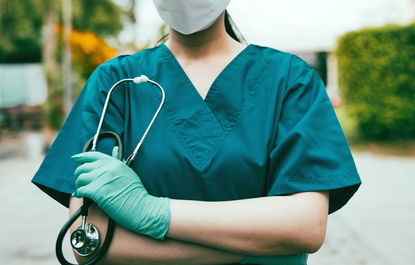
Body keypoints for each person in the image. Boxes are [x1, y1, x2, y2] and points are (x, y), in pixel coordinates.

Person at [31, 0, 362, 264]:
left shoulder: (290, 81)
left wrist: (150, 211)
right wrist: (254, 248)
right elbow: (88, 241)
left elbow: (305, 226)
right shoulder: (116, 86)